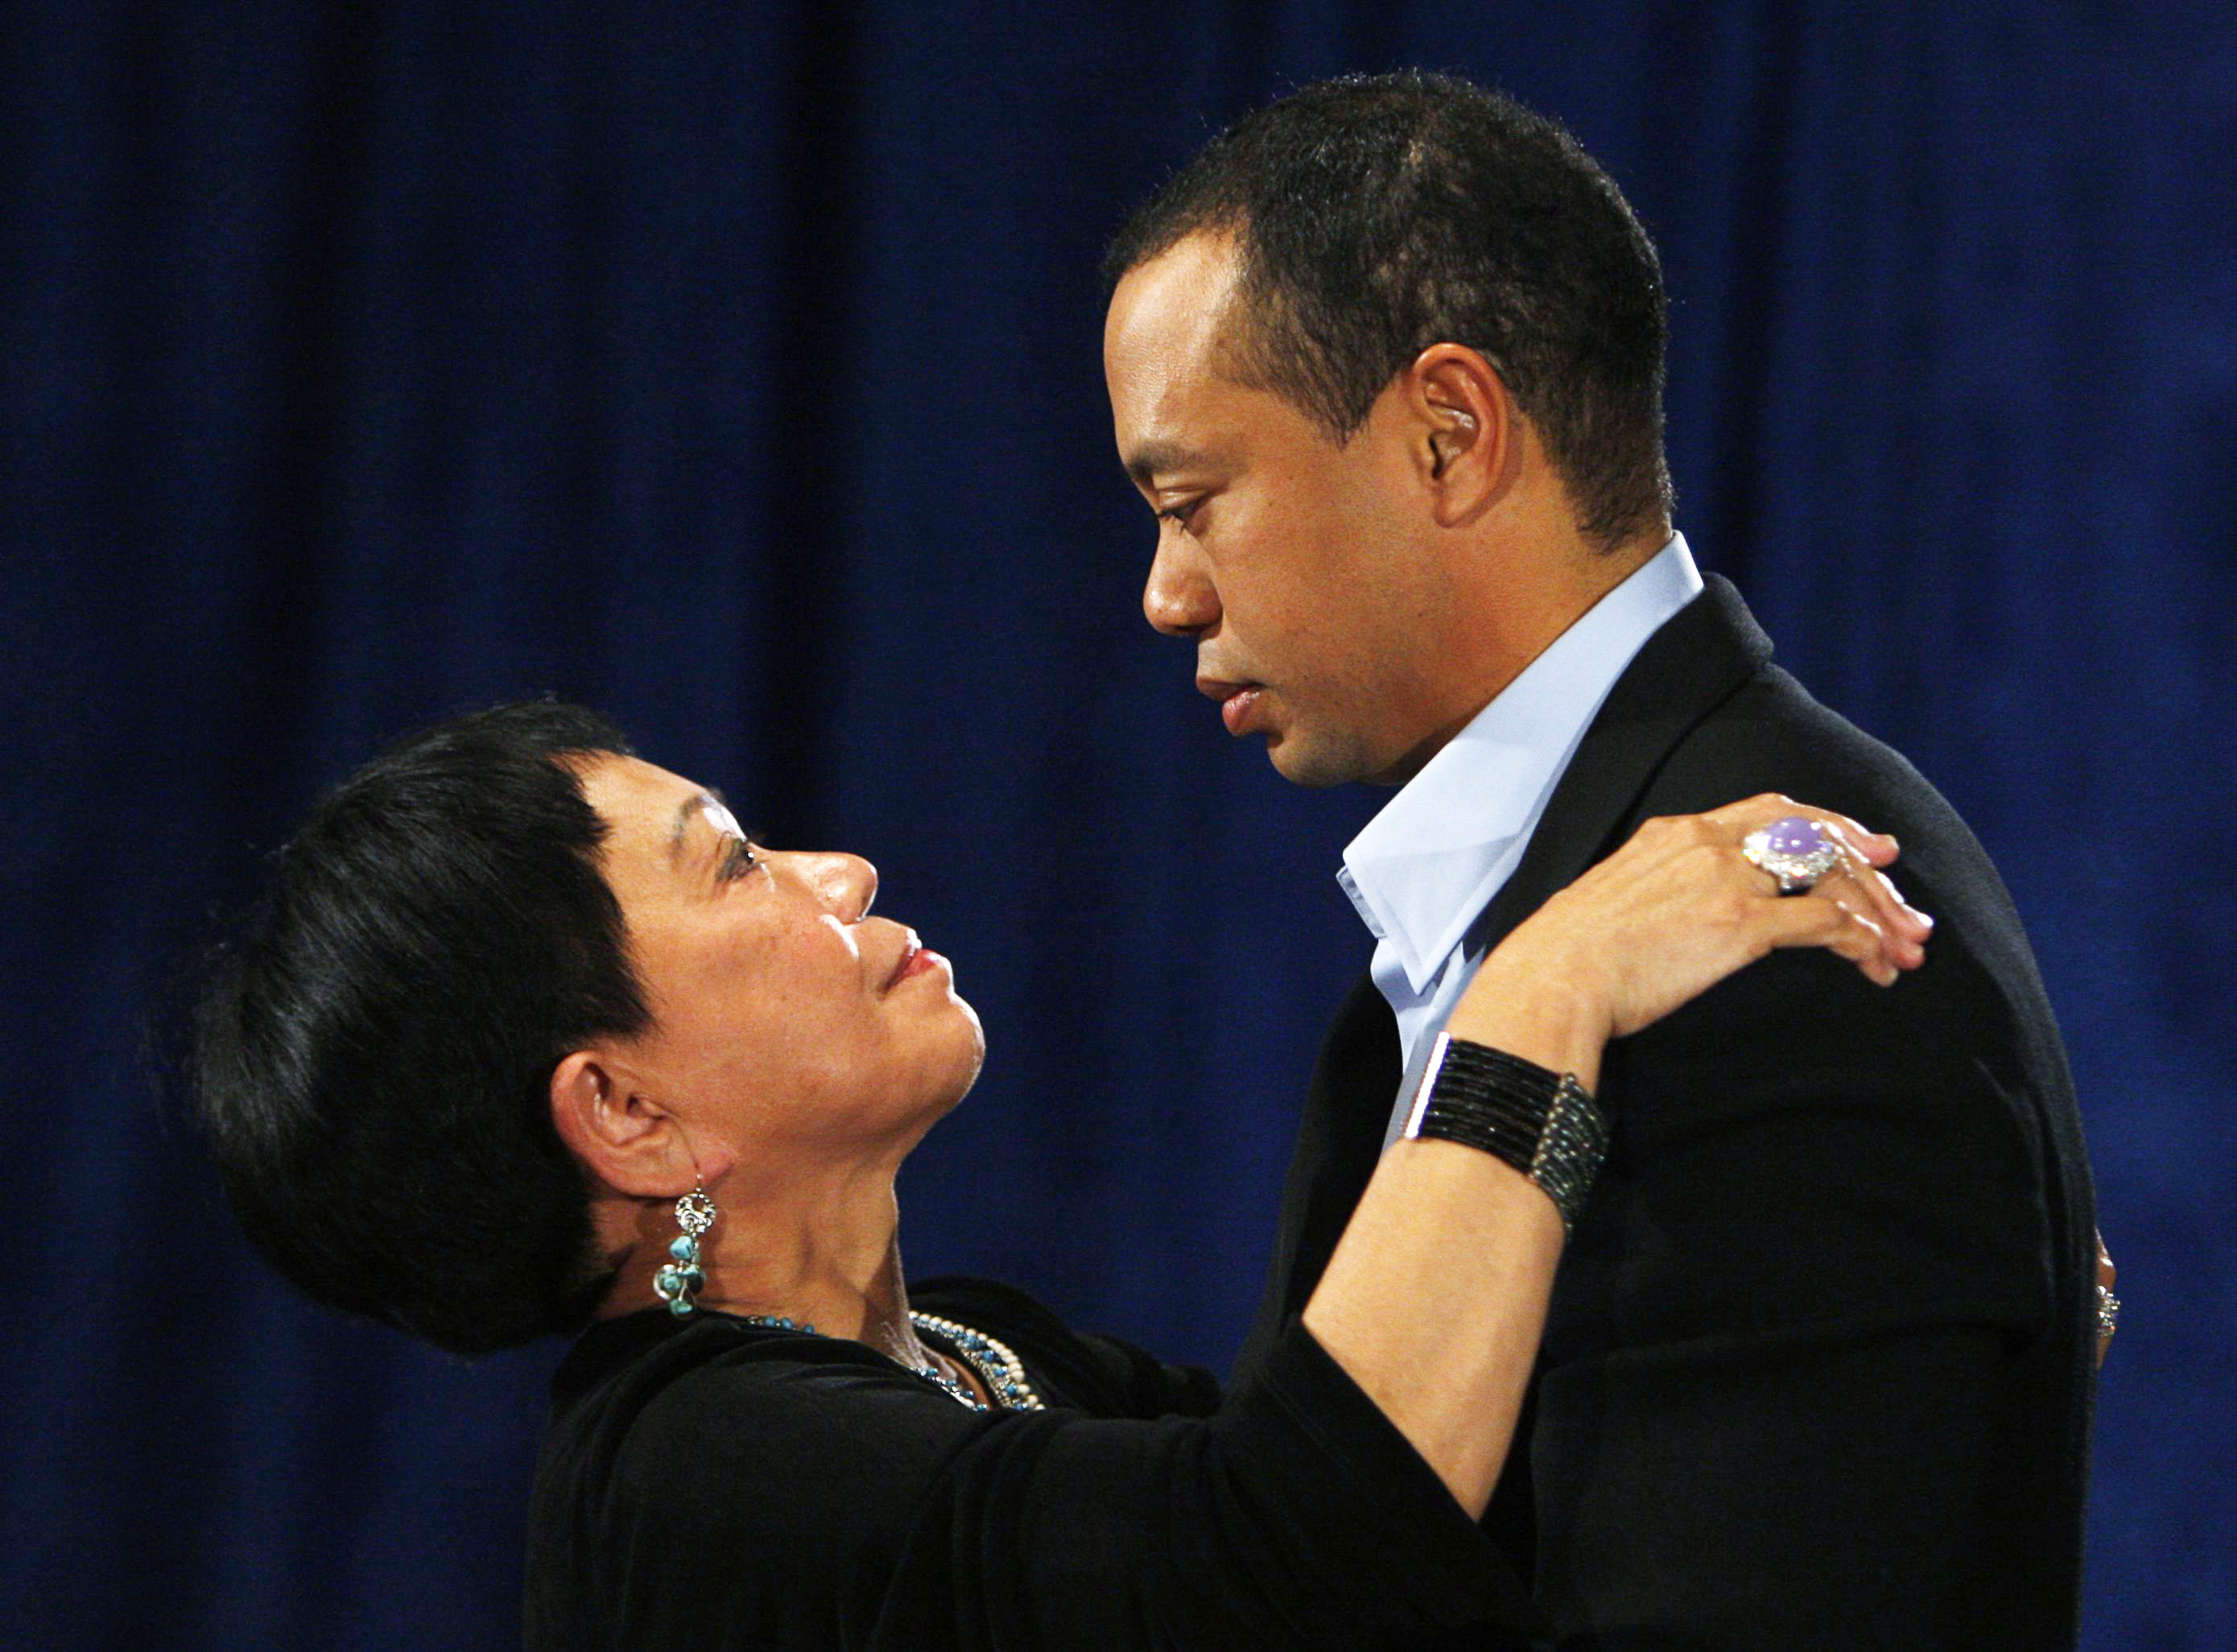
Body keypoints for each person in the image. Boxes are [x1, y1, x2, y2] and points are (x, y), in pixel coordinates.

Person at [192, 699, 1925, 1651]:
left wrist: (1871, 1345)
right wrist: (1548, 985)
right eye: (730, 867)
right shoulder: (688, 1476)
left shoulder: (980, 1357)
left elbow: (1451, 1548)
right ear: (629, 1118)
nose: (841, 872)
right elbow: (1304, 1558)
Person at [1100, 72, 2103, 1647]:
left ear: (1448, 435)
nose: (1166, 593)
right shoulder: (1587, 903)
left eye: (1192, 501)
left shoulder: (1777, 956)